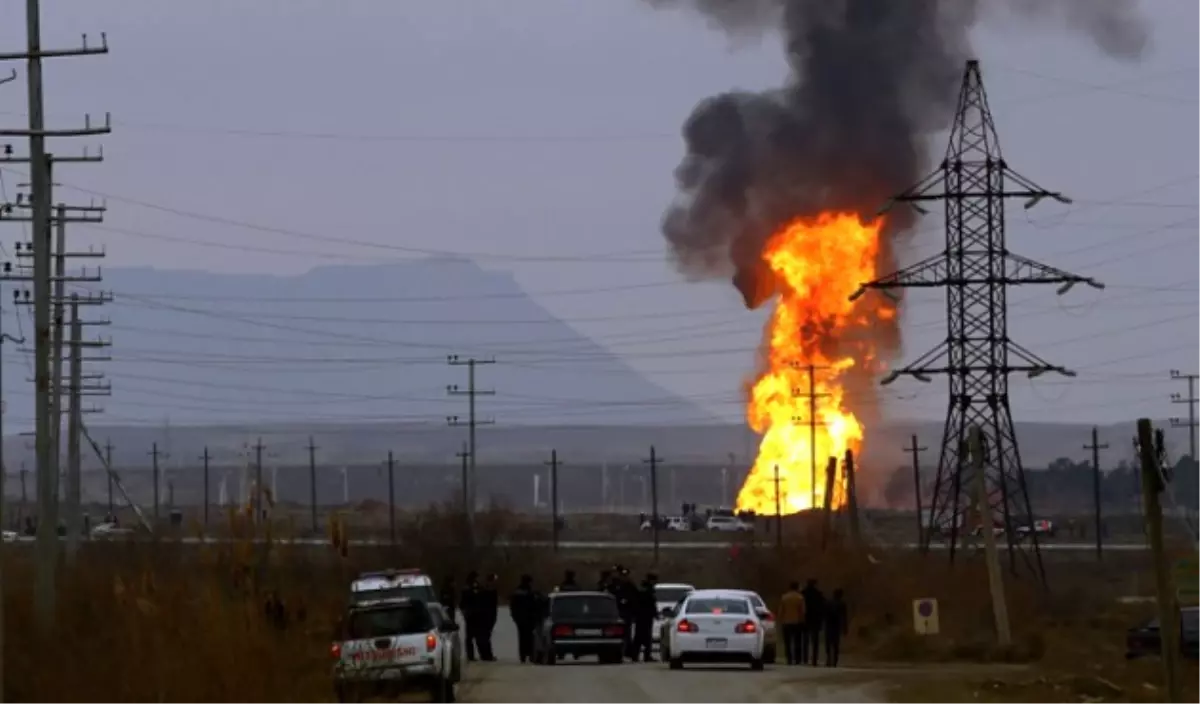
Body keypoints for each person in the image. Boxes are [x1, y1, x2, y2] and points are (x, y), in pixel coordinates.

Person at [509, 574, 538, 664]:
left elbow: (512, 606)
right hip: (528, 618)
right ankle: (531, 655)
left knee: (522, 637)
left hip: (520, 618)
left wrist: (514, 616)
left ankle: (523, 655)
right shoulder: (529, 592)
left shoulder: (517, 591)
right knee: (530, 637)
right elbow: (534, 605)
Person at [778, 581, 806, 665]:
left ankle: (789, 659)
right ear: (797, 587)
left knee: (787, 642)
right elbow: (802, 611)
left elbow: (781, 611)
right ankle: (797, 659)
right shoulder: (800, 598)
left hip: (786, 622)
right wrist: (803, 620)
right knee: (797, 641)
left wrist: (780, 620)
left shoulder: (784, 597)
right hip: (797, 622)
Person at [632, 575, 658, 662]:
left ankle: (635, 656)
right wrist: (655, 614)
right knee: (646, 637)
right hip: (646, 616)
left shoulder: (641, 589)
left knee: (638, 636)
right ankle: (646, 656)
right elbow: (651, 604)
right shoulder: (649, 590)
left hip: (640, 616)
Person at [801, 579, 826, 666]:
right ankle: (814, 659)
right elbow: (823, 607)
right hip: (816, 619)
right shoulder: (819, 594)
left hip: (805, 618)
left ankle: (804, 659)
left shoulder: (802, 593)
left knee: (805, 639)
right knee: (815, 640)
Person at [460, 571, 483, 662]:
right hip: (472, 614)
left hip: (472, 614)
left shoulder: (470, 587)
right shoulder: (471, 587)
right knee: (473, 636)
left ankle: (472, 655)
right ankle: (472, 655)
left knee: (472, 636)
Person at [614, 568, 637, 659]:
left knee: (627, 634)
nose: (623, 577)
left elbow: (634, 599)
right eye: (622, 575)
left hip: (627, 613)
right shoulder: (616, 585)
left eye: (625, 576)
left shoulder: (630, 586)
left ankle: (628, 652)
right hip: (617, 613)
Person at [824, 589, 848, 667]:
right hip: (836, 625)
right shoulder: (842, 604)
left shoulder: (828, 602)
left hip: (828, 624)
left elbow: (824, 614)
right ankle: (835, 660)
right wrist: (845, 627)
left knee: (828, 642)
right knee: (836, 643)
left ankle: (828, 658)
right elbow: (844, 617)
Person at [478, 573, 499, 661]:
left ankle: (484, 654)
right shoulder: (491, 591)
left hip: (483, 615)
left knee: (484, 636)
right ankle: (487, 655)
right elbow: (494, 605)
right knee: (486, 636)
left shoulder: (482, 590)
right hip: (488, 615)